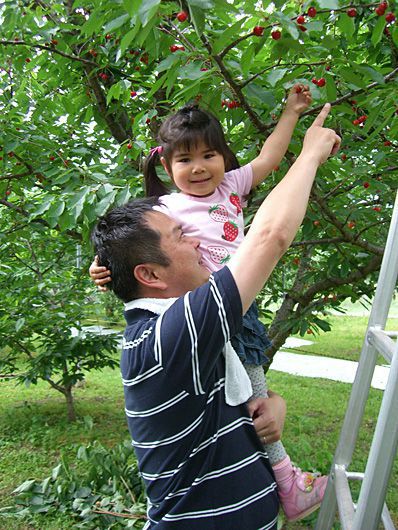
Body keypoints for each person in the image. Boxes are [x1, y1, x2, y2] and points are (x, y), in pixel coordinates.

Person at [91, 103, 341, 529]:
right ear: (148, 273)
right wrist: (311, 156)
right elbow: (270, 236)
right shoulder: (171, 337)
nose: (194, 243)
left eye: (209, 155)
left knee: (258, 382)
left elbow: (266, 160)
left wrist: (270, 406)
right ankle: (290, 480)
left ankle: (286, 479)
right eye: (179, 237)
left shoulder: (196, 338)